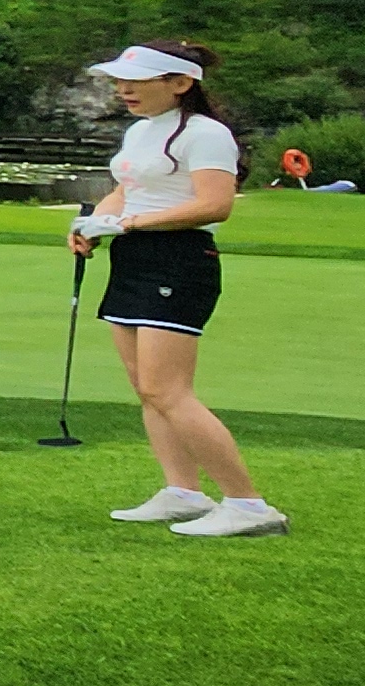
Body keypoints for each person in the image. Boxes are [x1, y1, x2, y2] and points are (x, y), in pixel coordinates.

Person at [75, 43, 284, 537]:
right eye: (120, 81)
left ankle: (249, 505)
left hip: (180, 259)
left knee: (167, 390)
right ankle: (183, 492)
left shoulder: (206, 134)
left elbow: (215, 205)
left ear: (180, 83)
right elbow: (126, 190)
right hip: (134, 257)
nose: (124, 90)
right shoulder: (141, 130)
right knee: (145, 387)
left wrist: (131, 223)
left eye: (137, 82)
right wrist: (93, 223)